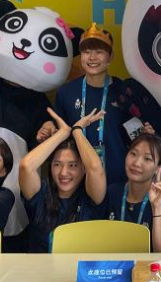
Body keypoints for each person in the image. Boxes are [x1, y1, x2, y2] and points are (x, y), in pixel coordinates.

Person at [39, 23, 153, 185]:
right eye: (86, 52)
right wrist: (49, 128)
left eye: (99, 52)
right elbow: (61, 133)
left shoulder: (124, 91)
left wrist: (145, 135)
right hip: (76, 179)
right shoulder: (66, 91)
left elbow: (134, 134)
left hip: (117, 177)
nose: (92, 57)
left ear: (111, 56)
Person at [19, 107, 105, 253]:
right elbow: (26, 166)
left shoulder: (90, 197)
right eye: (57, 164)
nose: (64, 173)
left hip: (78, 272)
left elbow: (96, 167)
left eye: (72, 165)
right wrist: (63, 133)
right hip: (39, 271)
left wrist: (77, 130)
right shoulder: (41, 193)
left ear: (83, 168)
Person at [91, 133, 161, 252]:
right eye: (133, 154)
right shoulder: (111, 193)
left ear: (158, 168)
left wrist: (156, 208)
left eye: (147, 159)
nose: (136, 163)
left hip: (145, 269)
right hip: (112, 267)